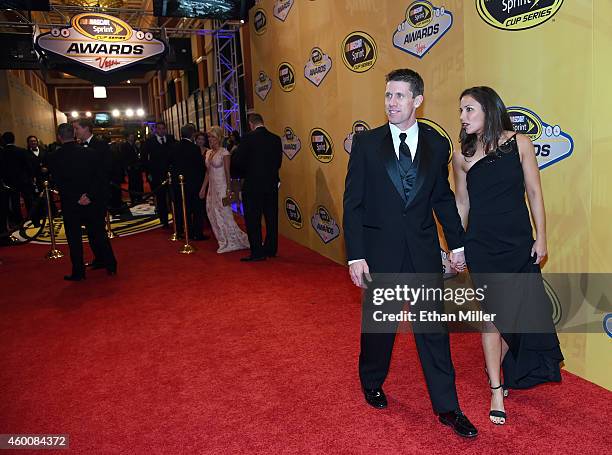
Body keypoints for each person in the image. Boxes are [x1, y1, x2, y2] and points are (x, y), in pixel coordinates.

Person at [343, 68, 477, 438]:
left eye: (400, 96)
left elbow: (442, 200)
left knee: (433, 333)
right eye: (388, 95)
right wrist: (356, 256)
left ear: (418, 100)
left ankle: (449, 408)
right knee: (380, 331)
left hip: (422, 255)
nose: (391, 103)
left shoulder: (435, 146)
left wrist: (457, 244)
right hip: (380, 254)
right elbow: (352, 204)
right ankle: (371, 381)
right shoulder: (367, 144)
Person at [453, 86, 563, 425]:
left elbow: (534, 193)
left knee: (514, 317)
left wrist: (541, 237)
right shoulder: (462, 155)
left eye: (469, 110)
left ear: (488, 109)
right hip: (482, 247)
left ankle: (497, 370)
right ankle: (497, 389)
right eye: (461, 111)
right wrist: (457, 247)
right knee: (492, 317)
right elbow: (462, 204)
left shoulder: (520, 143)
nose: (462, 117)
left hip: (517, 244)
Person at [48, 123, 116, 280]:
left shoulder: (54, 157)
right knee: (99, 233)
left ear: (59, 137)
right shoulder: (90, 153)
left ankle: (78, 272)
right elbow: (98, 178)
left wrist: (76, 198)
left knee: (74, 239)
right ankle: (111, 265)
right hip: (91, 201)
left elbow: (59, 183)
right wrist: (88, 196)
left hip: (71, 204)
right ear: (73, 134)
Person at [232, 113, 282, 262]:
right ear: (262, 122)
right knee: (271, 218)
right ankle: (271, 249)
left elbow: (239, 161)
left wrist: (243, 174)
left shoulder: (248, 138)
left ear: (250, 124)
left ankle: (258, 253)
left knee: (253, 220)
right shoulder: (275, 139)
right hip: (271, 185)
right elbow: (278, 163)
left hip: (253, 186)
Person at [72, 118, 114, 270]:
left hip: (98, 195)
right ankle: (99, 258)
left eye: (76, 128)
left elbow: (104, 173)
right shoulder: (78, 147)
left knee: (98, 230)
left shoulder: (101, 145)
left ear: (86, 129)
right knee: (90, 230)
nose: (74, 132)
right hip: (84, 196)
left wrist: (91, 194)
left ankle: (109, 261)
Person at [199, 126, 249, 253]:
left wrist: (229, 189)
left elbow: (228, 173)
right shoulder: (209, 153)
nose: (210, 139)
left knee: (225, 215)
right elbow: (207, 173)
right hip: (212, 188)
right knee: (212, 214)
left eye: (213, 137)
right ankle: (222, 241)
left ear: (219, 138)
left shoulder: (225, 153)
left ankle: (232, 241)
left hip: (222, 187)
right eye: (209, 137)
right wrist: (203, 188)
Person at [170, 124, 208, 241]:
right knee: (197, 210)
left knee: (183, 209)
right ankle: (197, 233)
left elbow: (171, 164)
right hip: (194, 184)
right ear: (192, 135)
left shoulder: (174, 147)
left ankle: (186, 231)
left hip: (179, 184)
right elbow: (200, 167)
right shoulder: (194, 148)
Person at [144, 122, 175, 228]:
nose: (161, 130)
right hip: (156, 176)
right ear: (156, 130)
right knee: (161, 198)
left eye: (163, 128)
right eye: (159, 129)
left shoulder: (171, 139)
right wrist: (148, 174)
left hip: (171, 175)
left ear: (165, 129)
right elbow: (144, 159)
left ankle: (177, 219)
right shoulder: (149, 142)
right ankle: (164, 220)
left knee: (173, 197)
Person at [1, 132, 33, 226]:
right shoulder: (21, 151)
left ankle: (16, 221)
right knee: (28, 201)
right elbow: (28, 166)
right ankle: (31, 219)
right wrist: (29, 177)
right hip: (22, 181)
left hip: (7, 182)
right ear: (14, 139)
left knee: (12, 203)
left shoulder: (2, 152)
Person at [123, 133, 144, 204]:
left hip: (137, 167)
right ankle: (133, 197)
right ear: (127, 138)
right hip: (131, 167)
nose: (132, 138)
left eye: (133, 136)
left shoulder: (135, 145)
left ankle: (139, 196)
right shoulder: (125, 146)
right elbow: (124, 158)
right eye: (131, 136)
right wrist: (127, 167)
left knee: (139, 182)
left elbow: (138, 154)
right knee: (132, 183)